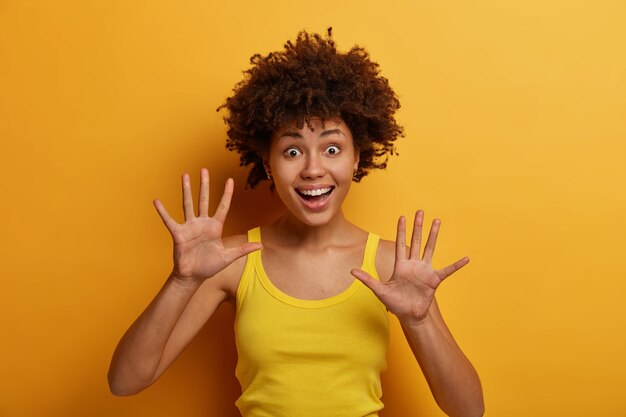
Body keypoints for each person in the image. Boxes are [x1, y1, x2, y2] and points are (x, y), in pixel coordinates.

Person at [108, 29, 484, 417]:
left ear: (357, 158)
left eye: (332, 148)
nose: (313, 169)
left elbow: (469, 410)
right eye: (292, 151)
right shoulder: (231, 260)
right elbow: (125, 382)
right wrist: (182, 281)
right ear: (268, 163)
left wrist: (419, 321)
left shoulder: (393, 266)